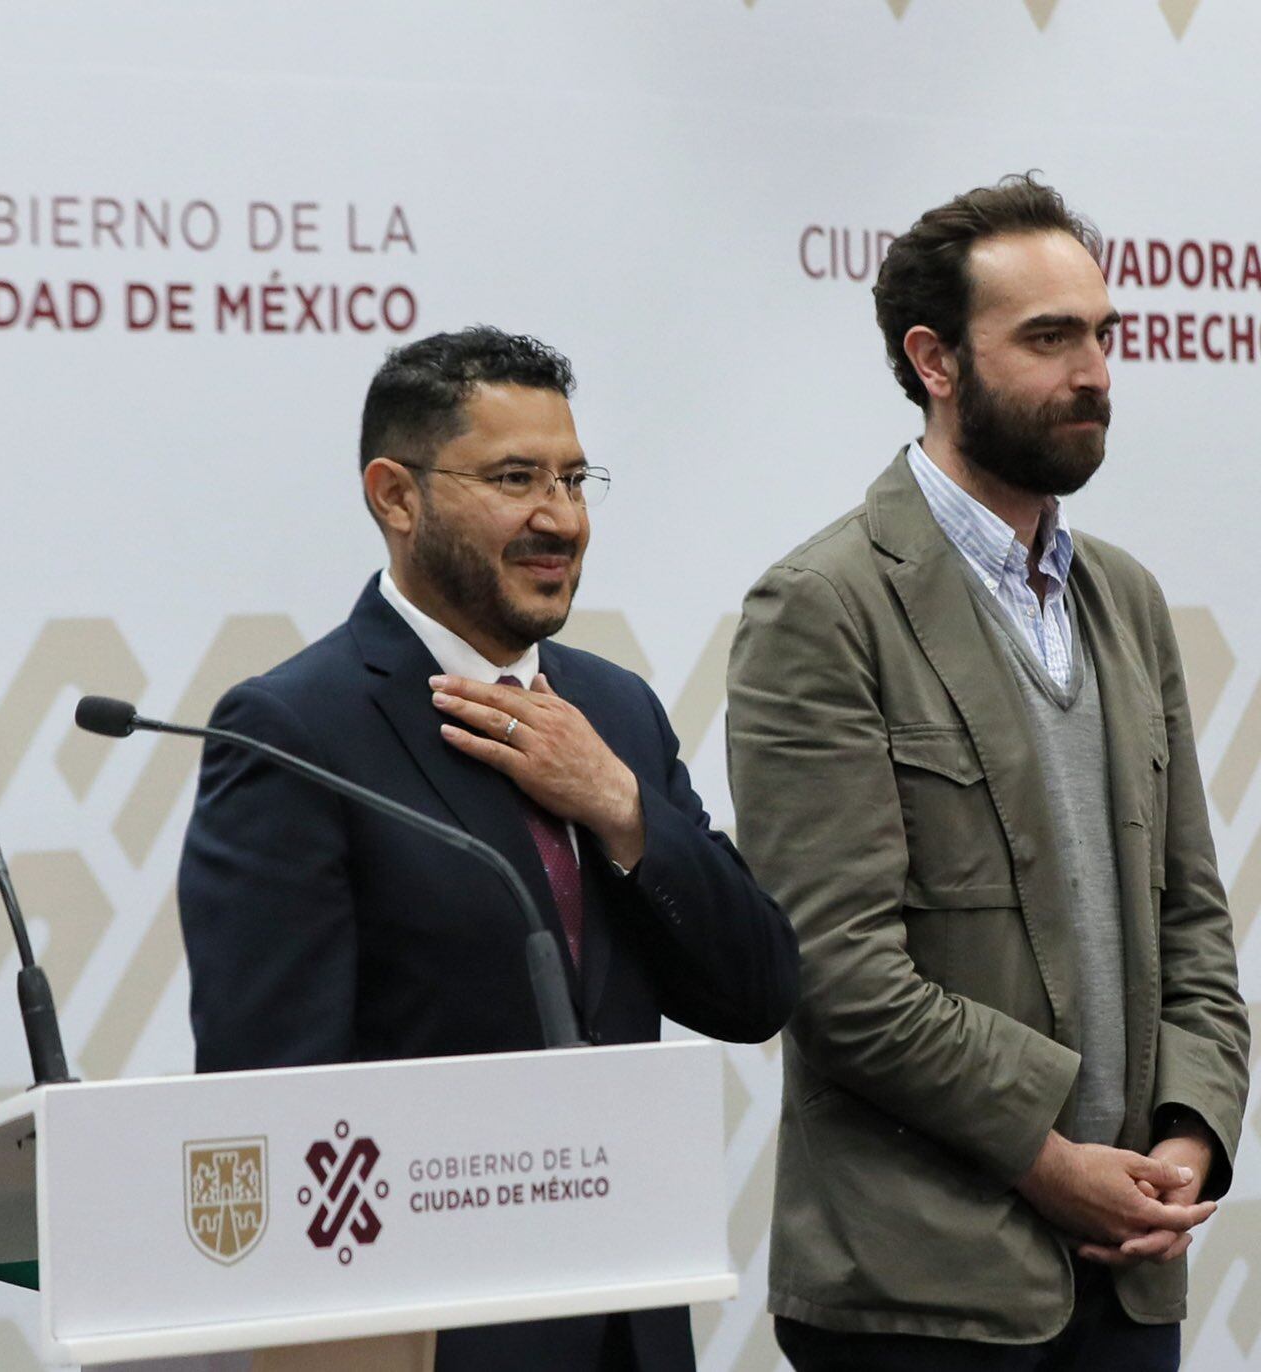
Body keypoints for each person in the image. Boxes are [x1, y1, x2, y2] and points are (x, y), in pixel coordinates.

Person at [177, 326, 800, 1371]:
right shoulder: (291, 731)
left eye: (572, 477)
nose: (559, 517)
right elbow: (271, 1101)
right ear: (394, 494)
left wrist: (616, 803)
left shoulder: (614, 711)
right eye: (514, 478)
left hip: (631, 1332)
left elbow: (755, 989)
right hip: (433, 1340)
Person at [727, 176, 1249, 1371]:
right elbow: (837, 972)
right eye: (1047, 338)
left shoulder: (1124, 597)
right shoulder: (822, 607)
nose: (1095, 373)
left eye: (1102, 335)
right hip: (916, 1298)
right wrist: (1049, 1162)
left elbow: (1192, 931)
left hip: (1128, 1280)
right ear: (934, 360)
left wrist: (1186, 1140)